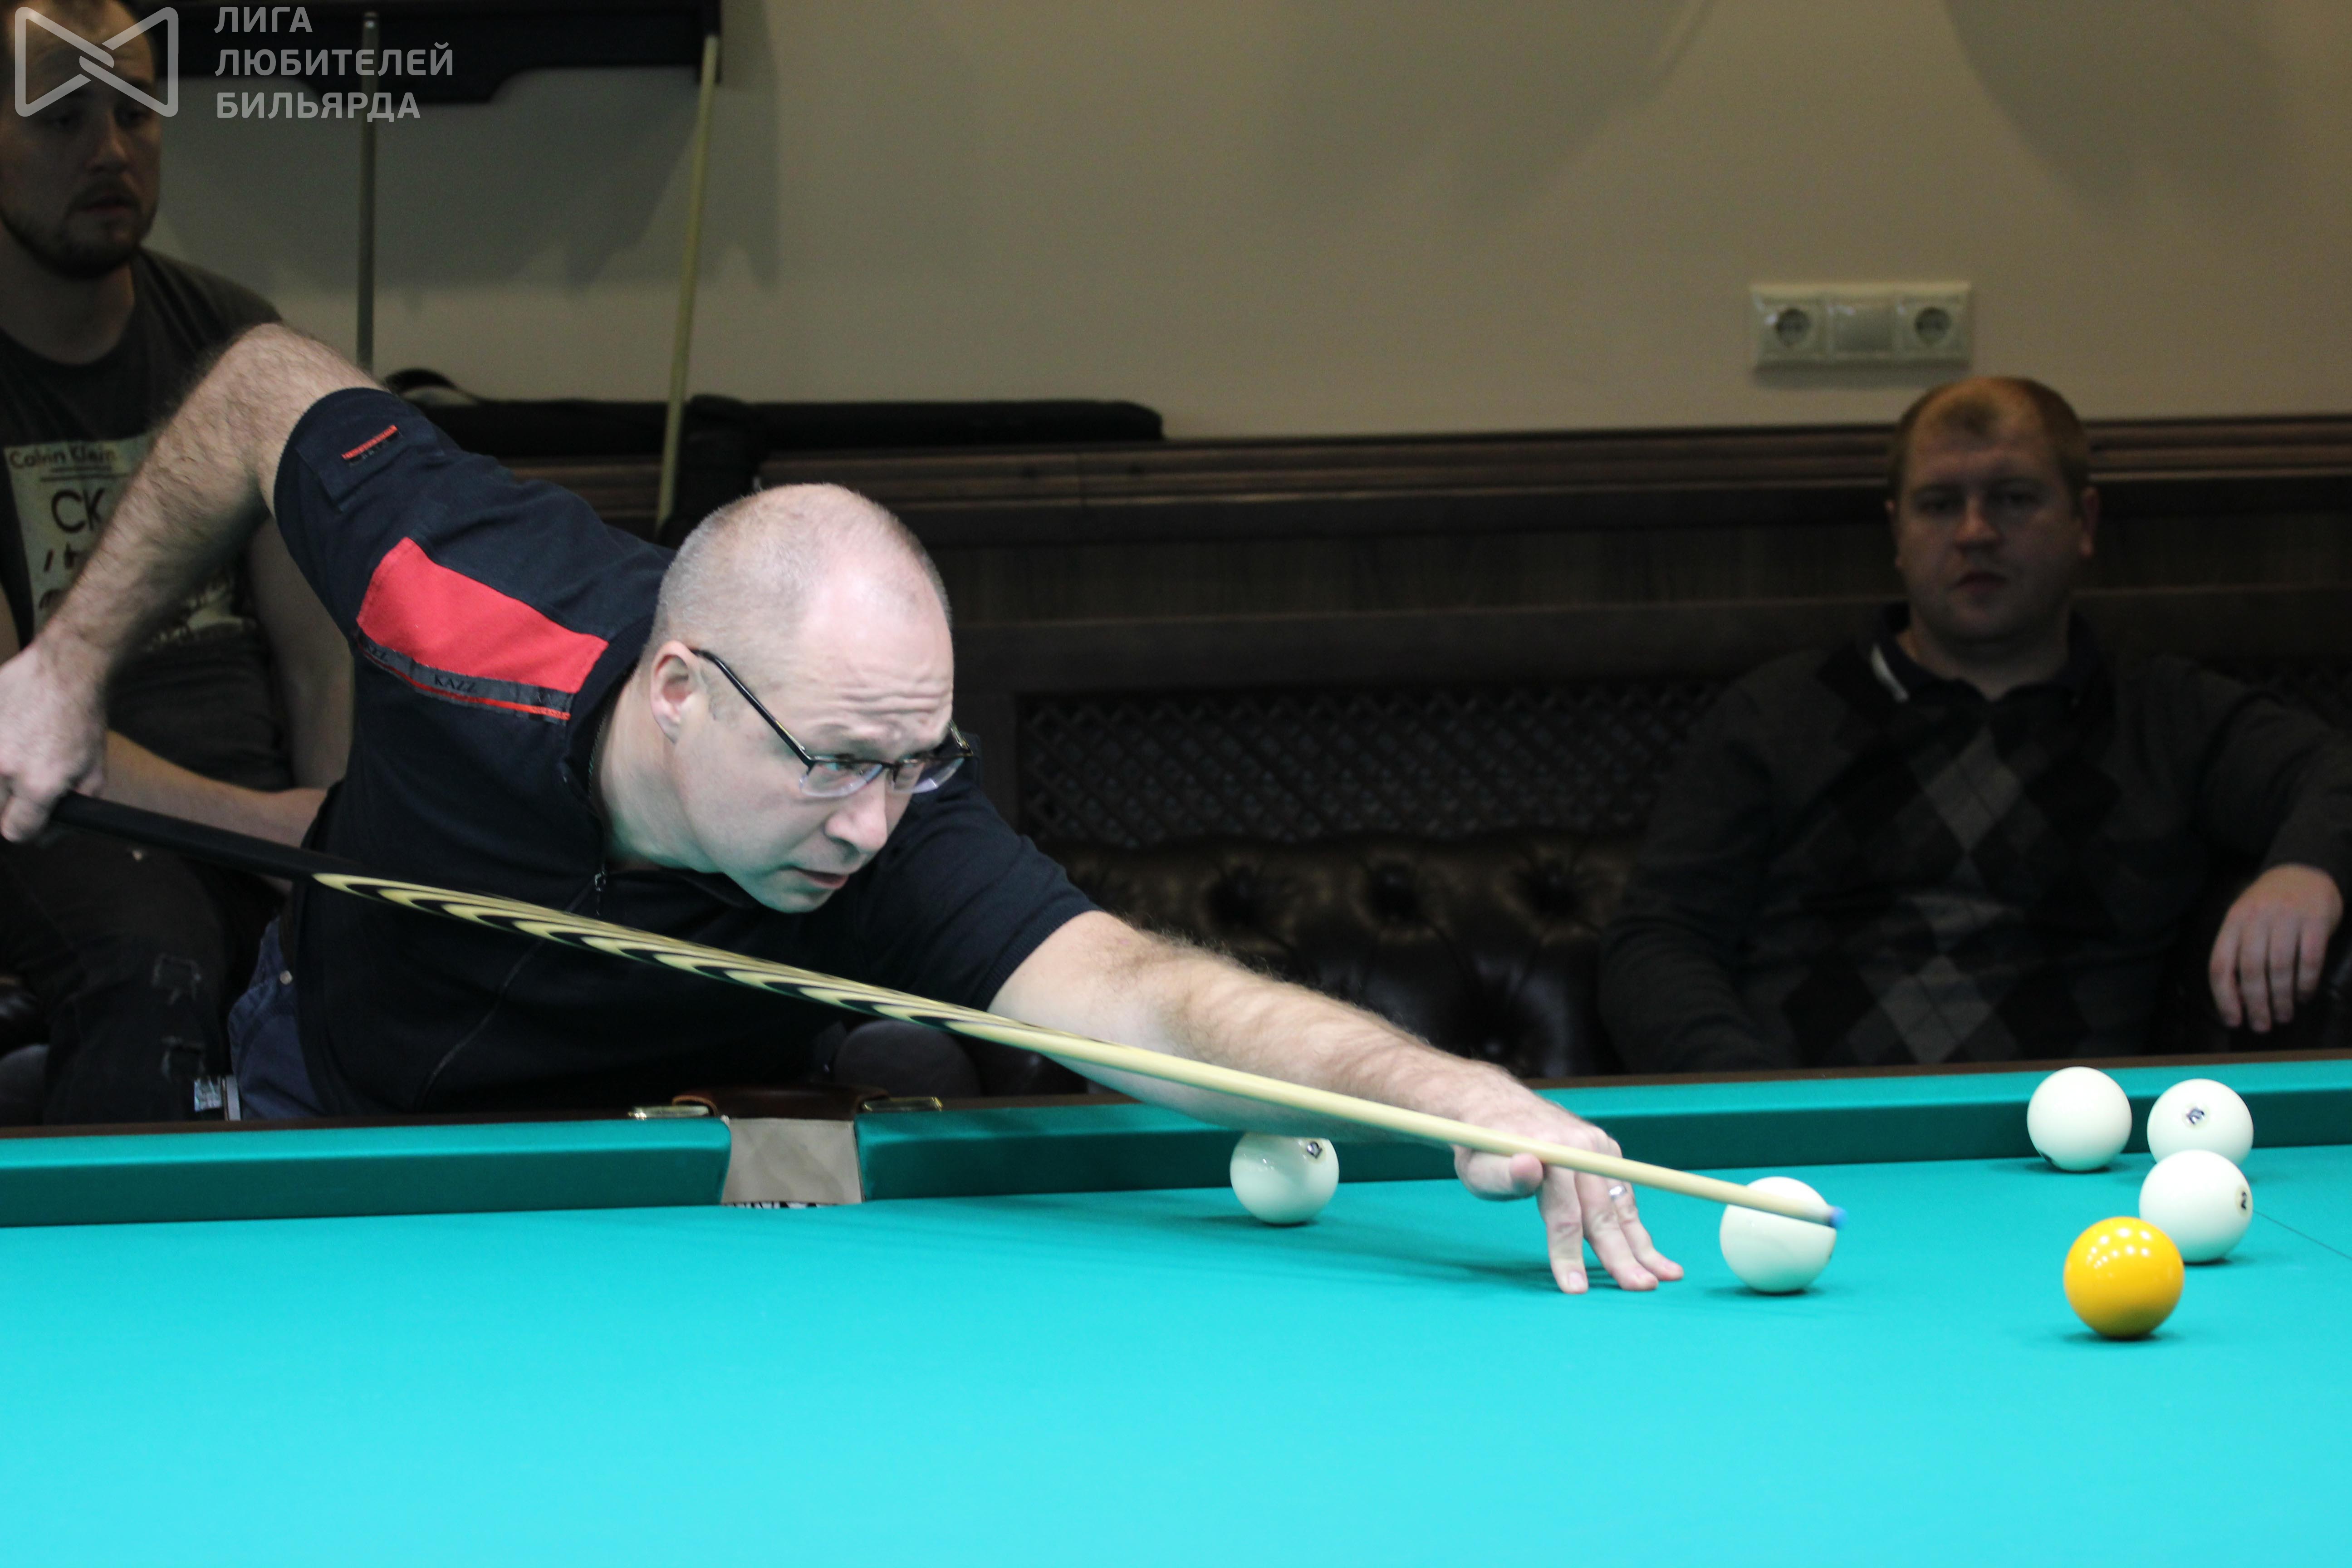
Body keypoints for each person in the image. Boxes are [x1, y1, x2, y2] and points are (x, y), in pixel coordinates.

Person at [0, 325, 1680, 1297]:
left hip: (693, 1177)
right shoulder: (471, 601)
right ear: (678, 689)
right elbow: (260, 387)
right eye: (830, 763)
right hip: (342, 1091)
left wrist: (1444, 1087)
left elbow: (1145, 993)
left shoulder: (898, 826)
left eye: (913, 760)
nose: (873, 825)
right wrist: (70, 668)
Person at [1601, 376, 2352, 1073]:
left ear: (2084, 521)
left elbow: (2335, 775)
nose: (1975, 532)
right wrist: (1752, 1100)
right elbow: (1658, 942)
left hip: (2072, 1147)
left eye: (2014, 499)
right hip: (1802, 1146)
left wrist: (2308, 867)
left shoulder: (2168, 715)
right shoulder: (1776, 714)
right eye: (1938, 505)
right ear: (1898, 533)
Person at [0, 0, 349, 1120]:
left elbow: (321, 663)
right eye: (61, 117)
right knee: (159, 965)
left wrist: (335, 834)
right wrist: (274, 835)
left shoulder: (233, 341)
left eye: (135, 111)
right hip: (57, 817)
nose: (110, 150)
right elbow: (12, 739)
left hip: (261, 811)